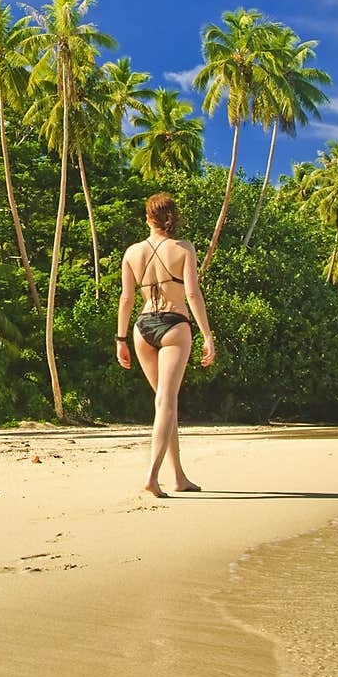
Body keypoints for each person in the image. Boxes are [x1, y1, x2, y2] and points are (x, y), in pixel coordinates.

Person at [116, 192, 215, 497]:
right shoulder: (183, 248)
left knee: (164, 402)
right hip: (174, 325)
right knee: (166, 402)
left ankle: (179, 476)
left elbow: (127, 298)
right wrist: (207, 335)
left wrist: (120, 339)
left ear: (147, 217)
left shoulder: (132, 253)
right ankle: (152, 476)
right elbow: (193, 295)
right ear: (172, 217)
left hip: (142, 327)